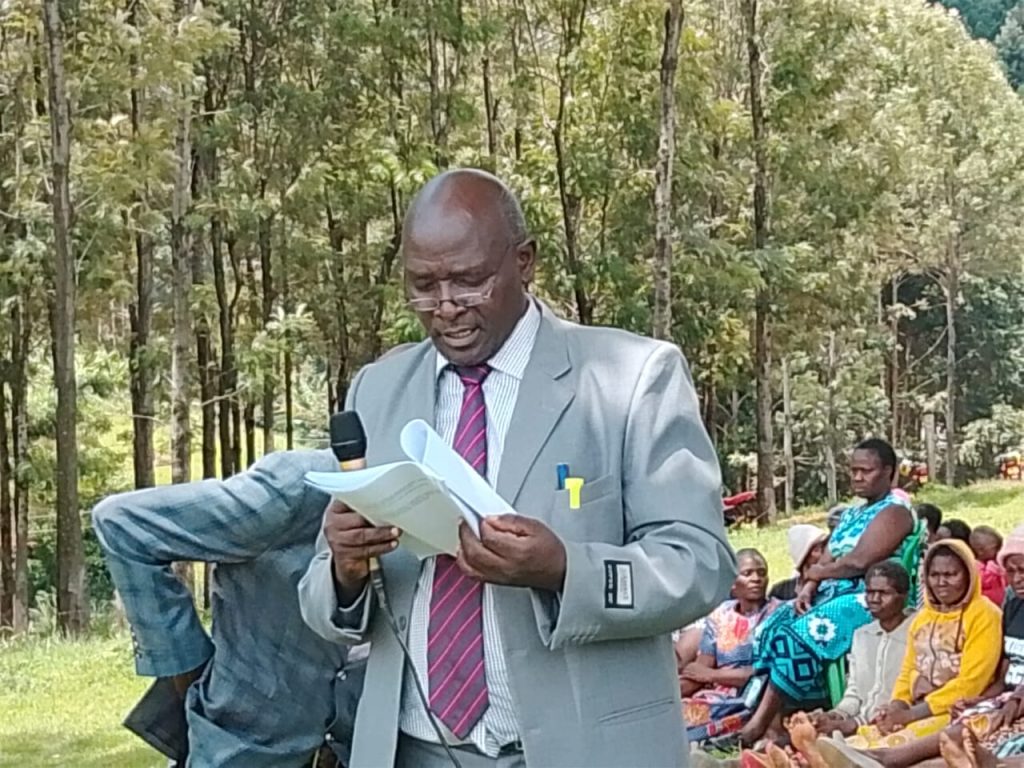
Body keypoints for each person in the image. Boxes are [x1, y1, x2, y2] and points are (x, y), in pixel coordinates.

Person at [297, 168, 736, 768]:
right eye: (423, 286)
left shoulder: (632, 378)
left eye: (469, 281)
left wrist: (565, 570)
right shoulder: (377, 390)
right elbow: (322, 600)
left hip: (583, 751)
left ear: (524, 262)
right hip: (412, 750)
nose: (445, 307)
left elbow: (700, 564)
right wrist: (345, 569)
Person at [92, 450, 352, 767]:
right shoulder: (303, 485)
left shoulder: (410, 501)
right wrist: (192, 679)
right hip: (245, 751)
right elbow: (124, 525)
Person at [738, 438, 920, 745]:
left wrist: (818, 574)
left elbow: (859, 561)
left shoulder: (895, 512)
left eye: (866, 471)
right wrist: (807, 589)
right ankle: (777, 724)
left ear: (888, 472)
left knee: (803, 633)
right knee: (773, 625)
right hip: (831, 591)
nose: (857, 477)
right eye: (854, 470)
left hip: (870, 595)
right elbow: (825, 559)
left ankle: (758, 725)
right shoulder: (851, 514)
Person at [810, 539, 1003, 767]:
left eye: (951, 575)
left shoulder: (984, 615)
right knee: (869, 735)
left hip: (953, 709)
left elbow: (971, 683)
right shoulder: (923, 618)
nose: (941, 582)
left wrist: (911, 714)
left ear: (969, 575)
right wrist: (897, 706)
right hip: (917, 706)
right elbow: (908, 669)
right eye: (934, 575)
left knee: (894, 744)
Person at [682, 549, 780, 743]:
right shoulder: (720, 616)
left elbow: (762, 672)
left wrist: (712, 675)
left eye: (762, 573)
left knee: (685, 719)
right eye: (747, 573)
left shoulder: (778, 613)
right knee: (670, 713)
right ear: (733, 584)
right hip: (716, 695)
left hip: (754, 695)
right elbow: (699, 670)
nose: (756, 579)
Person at [806, 561, 913, 737]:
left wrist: (854, 725)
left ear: (904, 596)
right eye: (870, 592)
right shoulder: (862, 635)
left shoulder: (918, 632)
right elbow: (854, 694)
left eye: (884, 593)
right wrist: (836, 715)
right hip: (859, 726)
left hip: (897, 727)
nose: (875, 599)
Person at [769, 525, 828, 602]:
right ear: (804, 556)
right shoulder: (780, 591)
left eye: (825, 549)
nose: (822, 554)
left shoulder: (833, 584)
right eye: (816, 550)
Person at [971, 525, 1008, 608]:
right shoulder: (975, 568)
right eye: (996, 548)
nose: (1000, 550)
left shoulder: (996, 562)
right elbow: (985, 580)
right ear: (980, 551)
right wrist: (993, 568)